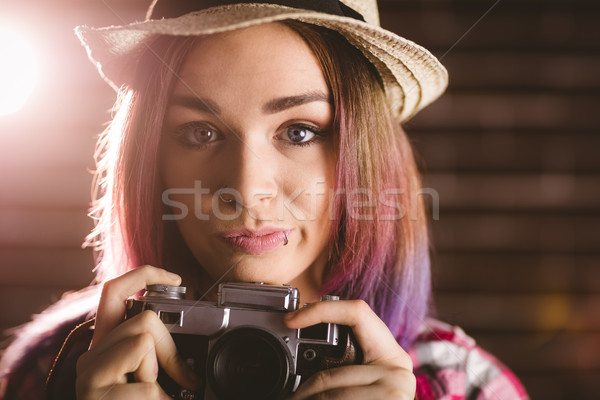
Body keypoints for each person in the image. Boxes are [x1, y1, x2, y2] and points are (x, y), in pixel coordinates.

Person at [0, 1, 529, 399]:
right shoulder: (58, 369)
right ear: (151, 159)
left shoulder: (462, 384)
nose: (248, 191)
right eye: (201, 134)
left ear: (362, 154)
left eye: (299, 132)